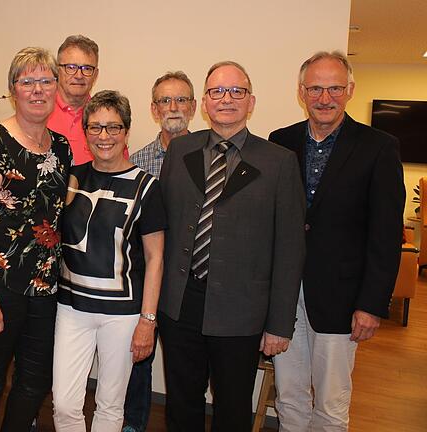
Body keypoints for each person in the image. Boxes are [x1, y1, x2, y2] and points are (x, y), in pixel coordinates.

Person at [157, 61, 305, 431]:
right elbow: (164, 228)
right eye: (217, 92)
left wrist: (279, 324)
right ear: (204, 102)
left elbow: (290, 249)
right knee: (181, 404)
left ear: (251, 101)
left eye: (236, 91)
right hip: (180, 304)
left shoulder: (279, 162)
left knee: (233, 408)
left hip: (242, 312)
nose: (226, 99)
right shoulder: (180, 151)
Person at [268, 51, 405, 431]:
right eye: (315, 88)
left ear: (350, 90)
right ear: (301, 91)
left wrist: (372, 304)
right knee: (289, 397)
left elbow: (386, 234)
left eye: (334, 88)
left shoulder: (379, 146)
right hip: (285, 296)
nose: (324, 97)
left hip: (342, 299)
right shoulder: (280, 142)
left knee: (331, 403)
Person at [0, 46, 72, 432]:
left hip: (43, 283)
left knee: (35, 380)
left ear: (56, 88)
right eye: (28, 82)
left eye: (45, 81)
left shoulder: (61, 147)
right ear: (13, 90)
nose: (37, 90)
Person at [52, 90, 165, 432]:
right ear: (85, 132)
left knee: (111, 406)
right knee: (64, 402)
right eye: (96, 127)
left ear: (127, 131)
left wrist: (148, 320)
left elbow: (156, 257)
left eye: (113, 127)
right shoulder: (72, 178)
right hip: (72, 307)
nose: (104, 136)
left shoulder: (147, 187)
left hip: (124, 314)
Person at [122, 71, 196, 432]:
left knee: (185, 370)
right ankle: (132, 424)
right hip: (145, 278)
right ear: (154, 109)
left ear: (194, 106)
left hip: (188, 283)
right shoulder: (135, 163)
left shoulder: (210, 160)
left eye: (181, 99)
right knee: (138, 362)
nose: (173, 107)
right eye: (165, 100)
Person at [47, 35, 102, 165]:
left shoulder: (105, 118)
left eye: (87, 68)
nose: (79, 76)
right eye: (71, 67)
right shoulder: (40, 112)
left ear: (95, 75)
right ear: (57, 70)